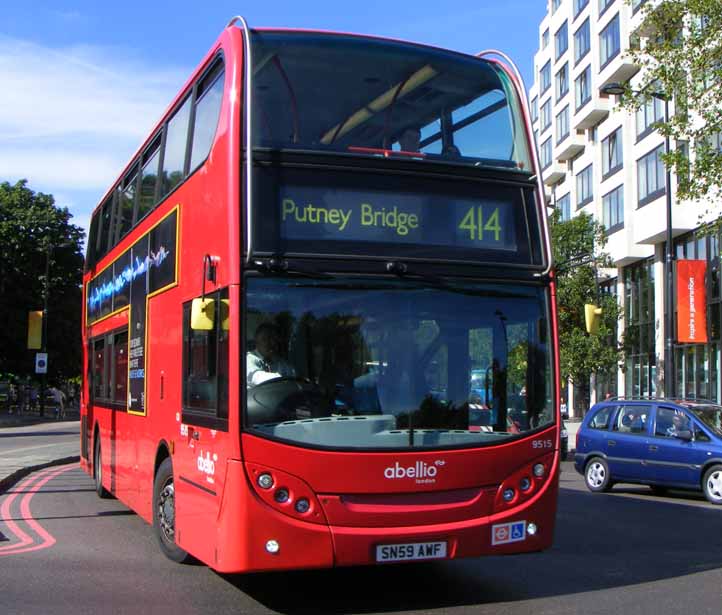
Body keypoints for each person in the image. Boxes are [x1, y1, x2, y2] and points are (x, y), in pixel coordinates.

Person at [247, 323, 296, 387]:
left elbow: (293, 376)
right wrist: (282, 378)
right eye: (264, 339)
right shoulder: (249, 358)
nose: (270, 343)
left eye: (273, 339)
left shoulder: (281, 362)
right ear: (256, 343)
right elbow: (255, 377)